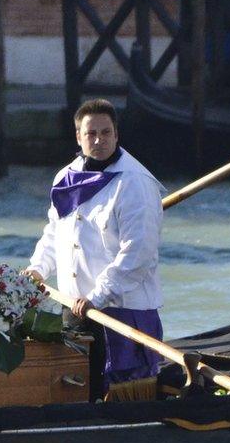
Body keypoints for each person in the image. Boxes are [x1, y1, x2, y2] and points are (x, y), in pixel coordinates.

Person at [25, 99, 165, 400]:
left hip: (121, 314)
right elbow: (54, 232)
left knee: (116, 400)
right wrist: (38, 267)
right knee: (74, 390)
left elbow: (137, 254)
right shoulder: (65, 178)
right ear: (78, 137)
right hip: (74, 308)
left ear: (117, 135)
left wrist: (97, 297)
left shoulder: (135, 183)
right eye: (91, 134)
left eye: (106, 133)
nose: (99, 140)